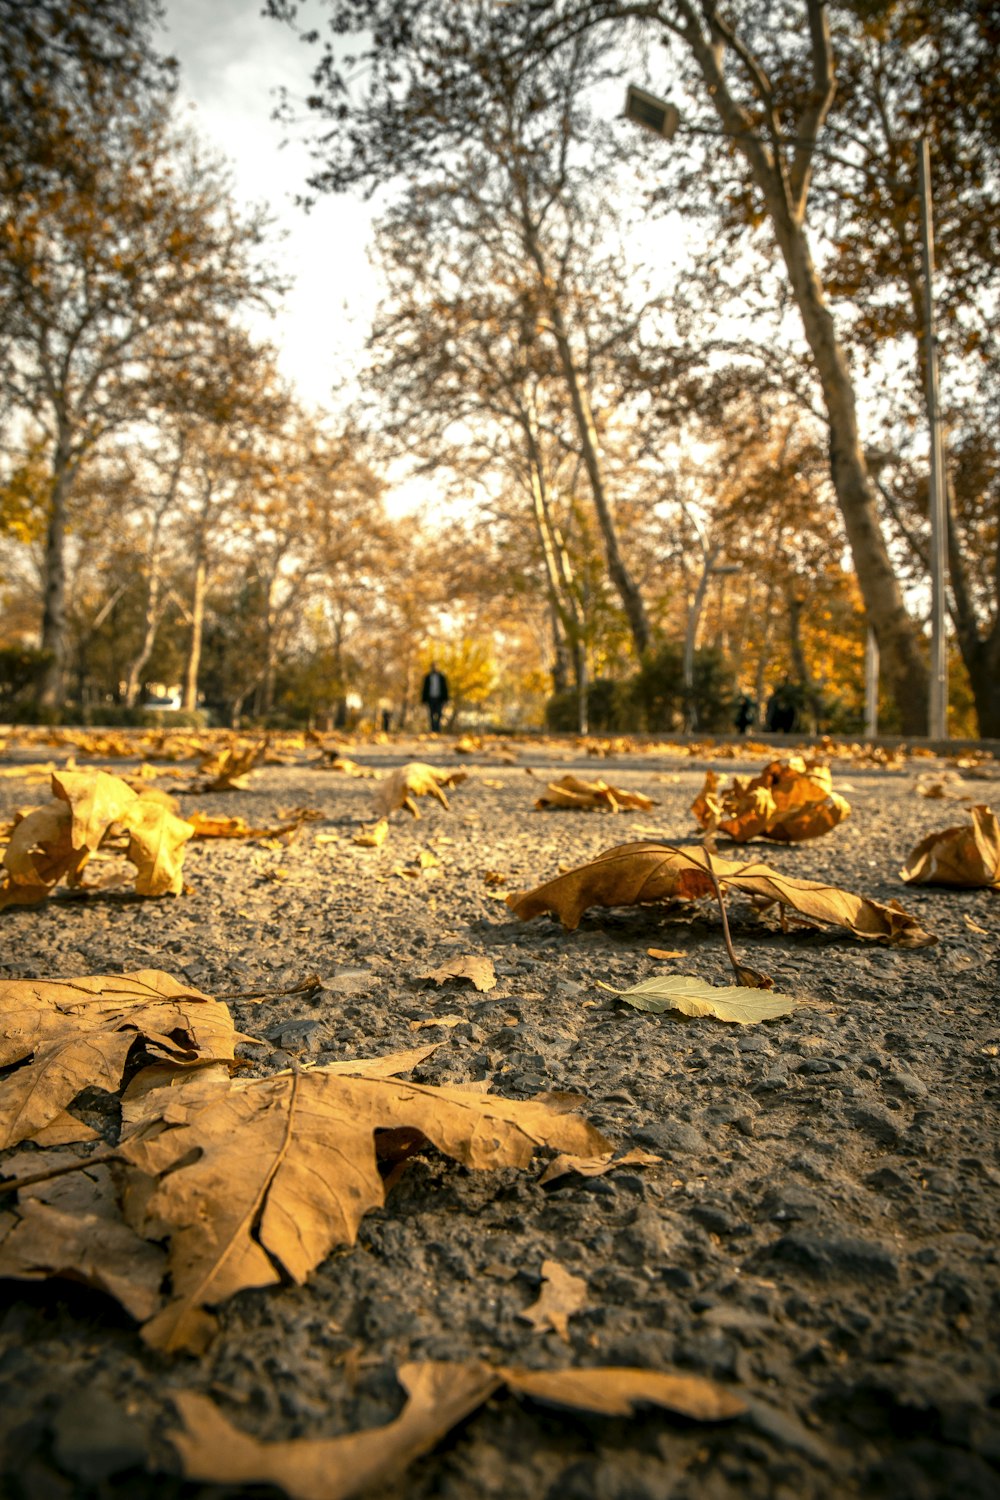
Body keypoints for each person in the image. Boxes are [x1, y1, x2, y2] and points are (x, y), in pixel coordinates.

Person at [420, 662, 449, 732]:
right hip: (430, 698)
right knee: (431, 714)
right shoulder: (427, 677)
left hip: (439, 698)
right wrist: (423, 699)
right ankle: (433, 729)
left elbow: (445, 688)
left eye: (435, 666)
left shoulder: (441, 677)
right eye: (433, 667)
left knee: (439, 713)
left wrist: (446, 699)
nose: (434, 668)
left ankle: (437, 729)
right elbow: (424, 688)